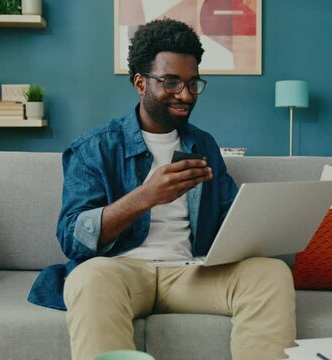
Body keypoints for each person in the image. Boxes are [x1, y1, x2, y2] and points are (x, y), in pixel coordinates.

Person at [28, 18, 295, 360]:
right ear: (140, 83)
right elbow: (71, 238)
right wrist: (145, 197)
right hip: (121, 271)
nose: (185, 95)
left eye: (192, 83)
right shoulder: (95, 147)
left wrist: (264, 222)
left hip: (189, 272)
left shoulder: (203, 145)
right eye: (171, 82)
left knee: (270, 273)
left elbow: (229, 215)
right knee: (88, 278)